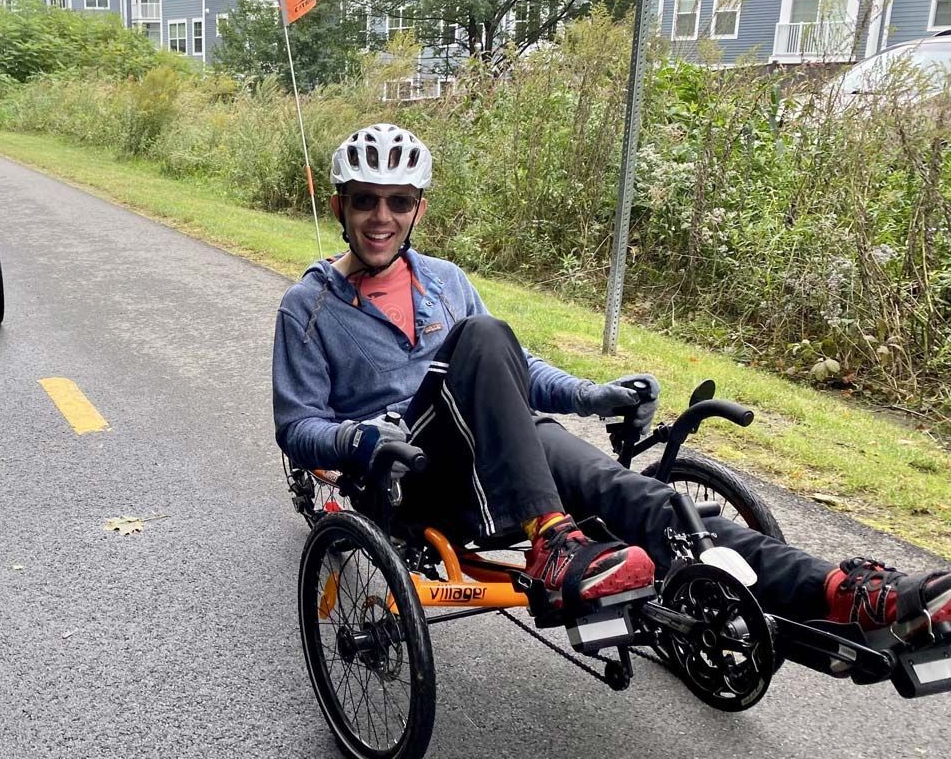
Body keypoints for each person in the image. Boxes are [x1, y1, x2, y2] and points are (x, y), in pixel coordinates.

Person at [272, 122, 950, 650]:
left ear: (418, 208)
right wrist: (357, 438)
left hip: (511, 452)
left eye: (398, 202)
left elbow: (516, 373)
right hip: (413, 473)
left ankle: (844, 592)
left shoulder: (446, 280)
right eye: (366, 202)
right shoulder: (308, 308)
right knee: (483, 336)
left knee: (645, 502)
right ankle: (555, 544)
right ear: (340, 205)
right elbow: (296, 425)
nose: (381, 217)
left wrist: (595, 396)